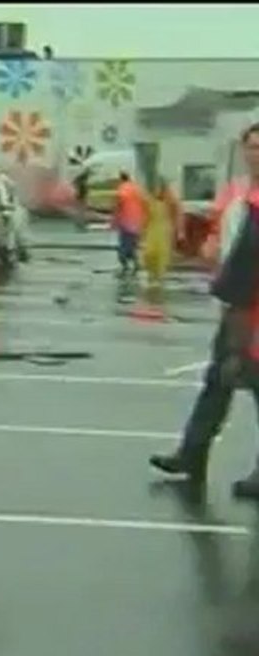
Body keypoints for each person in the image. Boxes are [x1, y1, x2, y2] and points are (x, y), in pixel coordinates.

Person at [149, 122, 259, 499]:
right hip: (235, 301)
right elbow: (220, 234)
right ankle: (192, 454)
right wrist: (209, 249)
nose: (256, 155)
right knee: (217, 381)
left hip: (252, 304)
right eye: (251, 147)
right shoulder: (235, 193)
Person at [140, 176, 182, 298]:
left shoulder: (171, 201)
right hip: (152, 229)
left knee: (161, 256)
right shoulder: (150, 200)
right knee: (149, 254)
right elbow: (145, 216)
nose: (157, 189)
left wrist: (179, 231)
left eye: (159, 187)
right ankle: (152, 276)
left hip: (165, 230)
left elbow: (178, 215)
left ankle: (158, 280)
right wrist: (142, 230)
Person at [112, 171, 145, 277]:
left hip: (126, 222)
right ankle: (135, 264)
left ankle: (125, 265)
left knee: (124, 245)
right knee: (132, 244)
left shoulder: (122, 189)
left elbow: (120, 203)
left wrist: (114, 220)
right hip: (137, 222)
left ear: (121, 179)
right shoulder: (137, 188)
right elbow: (144, 203)